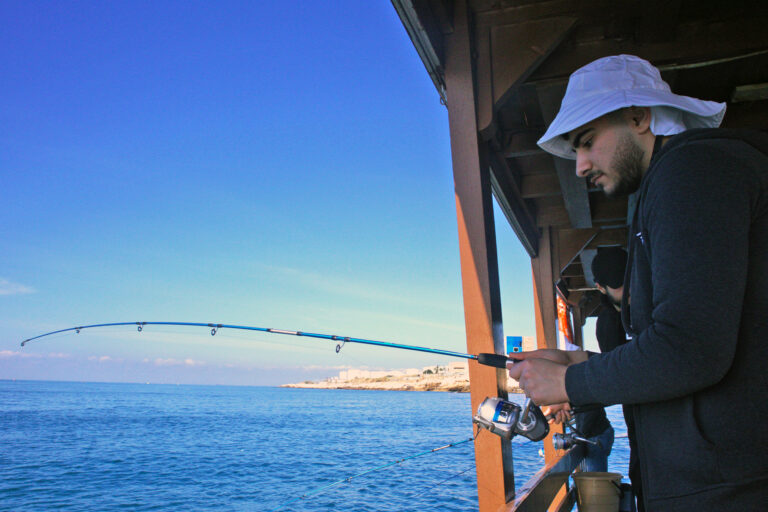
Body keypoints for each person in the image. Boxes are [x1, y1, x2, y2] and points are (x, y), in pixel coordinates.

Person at [507, 54, 768, 511]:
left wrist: (572, 382)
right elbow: (689, 340)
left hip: (729, 491)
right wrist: (578, 360)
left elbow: (691, 348)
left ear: (639, 116)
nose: (580, 166)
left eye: (586, 143)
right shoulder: (683, 178)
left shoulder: (693, 170)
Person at [591, 247, 643, 511]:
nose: (628, 288)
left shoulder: (656, 303)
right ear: (601, 288)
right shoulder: (608, 323)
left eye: (629, 278)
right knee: (644, 478)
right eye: (618, 284)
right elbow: (620, 380)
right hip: (642, 422)